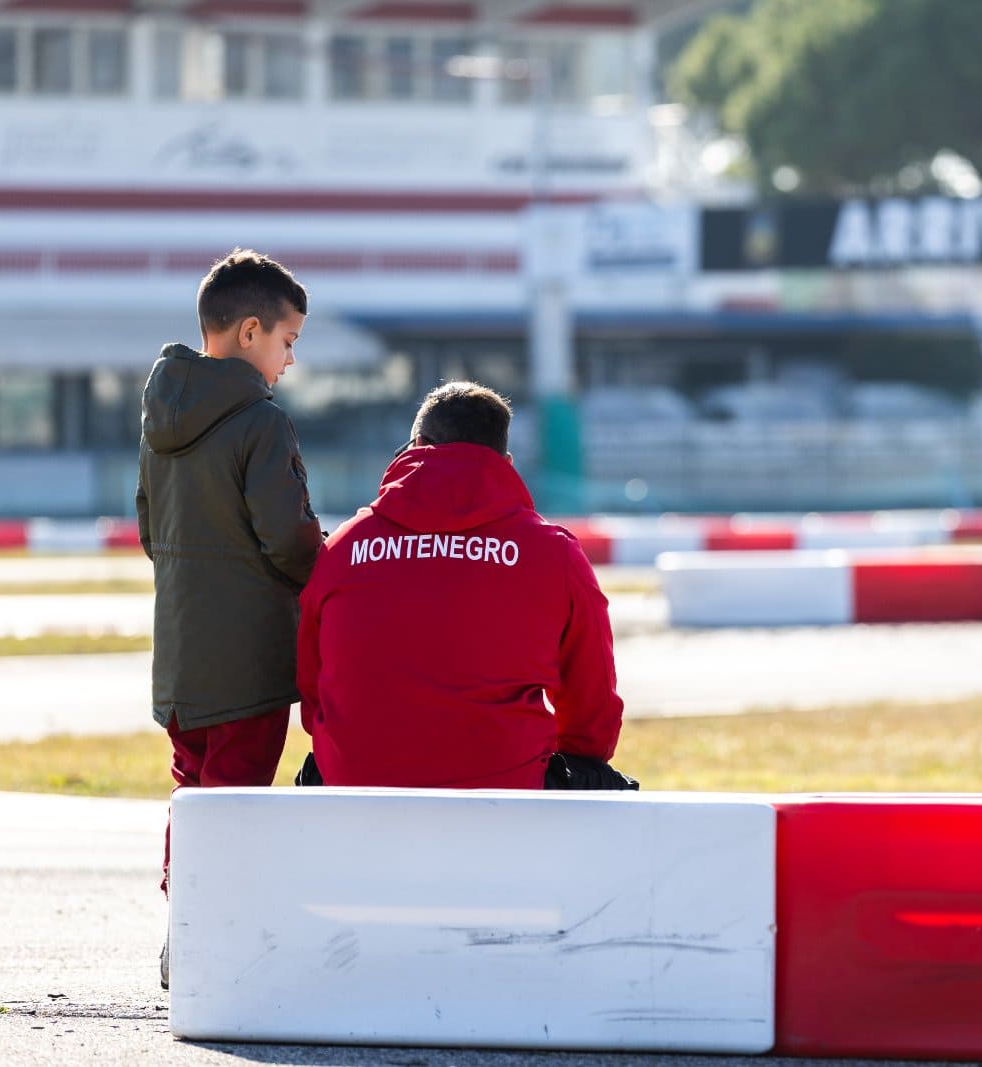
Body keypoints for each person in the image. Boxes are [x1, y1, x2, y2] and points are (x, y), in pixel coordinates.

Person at [136, 248, 322, 987]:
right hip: (248, 661)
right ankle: (214, 948)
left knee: (194, 797)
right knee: (236, 804)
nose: (289, 360)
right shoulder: (261, 423)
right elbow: (289, 540)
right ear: (251, 332)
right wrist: (329, 567)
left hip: (180, 658)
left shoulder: (159, 417)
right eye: (288, 341)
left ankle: (183, 928)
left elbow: (150, 532)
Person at [296, 381, 627, 792]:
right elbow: (592, 705)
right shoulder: (554, 553)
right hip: (507, 791)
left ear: (416, 447)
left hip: (357, 787)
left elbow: (312, 686)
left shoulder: (344, 547)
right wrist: (576, 758)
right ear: (505, 463)